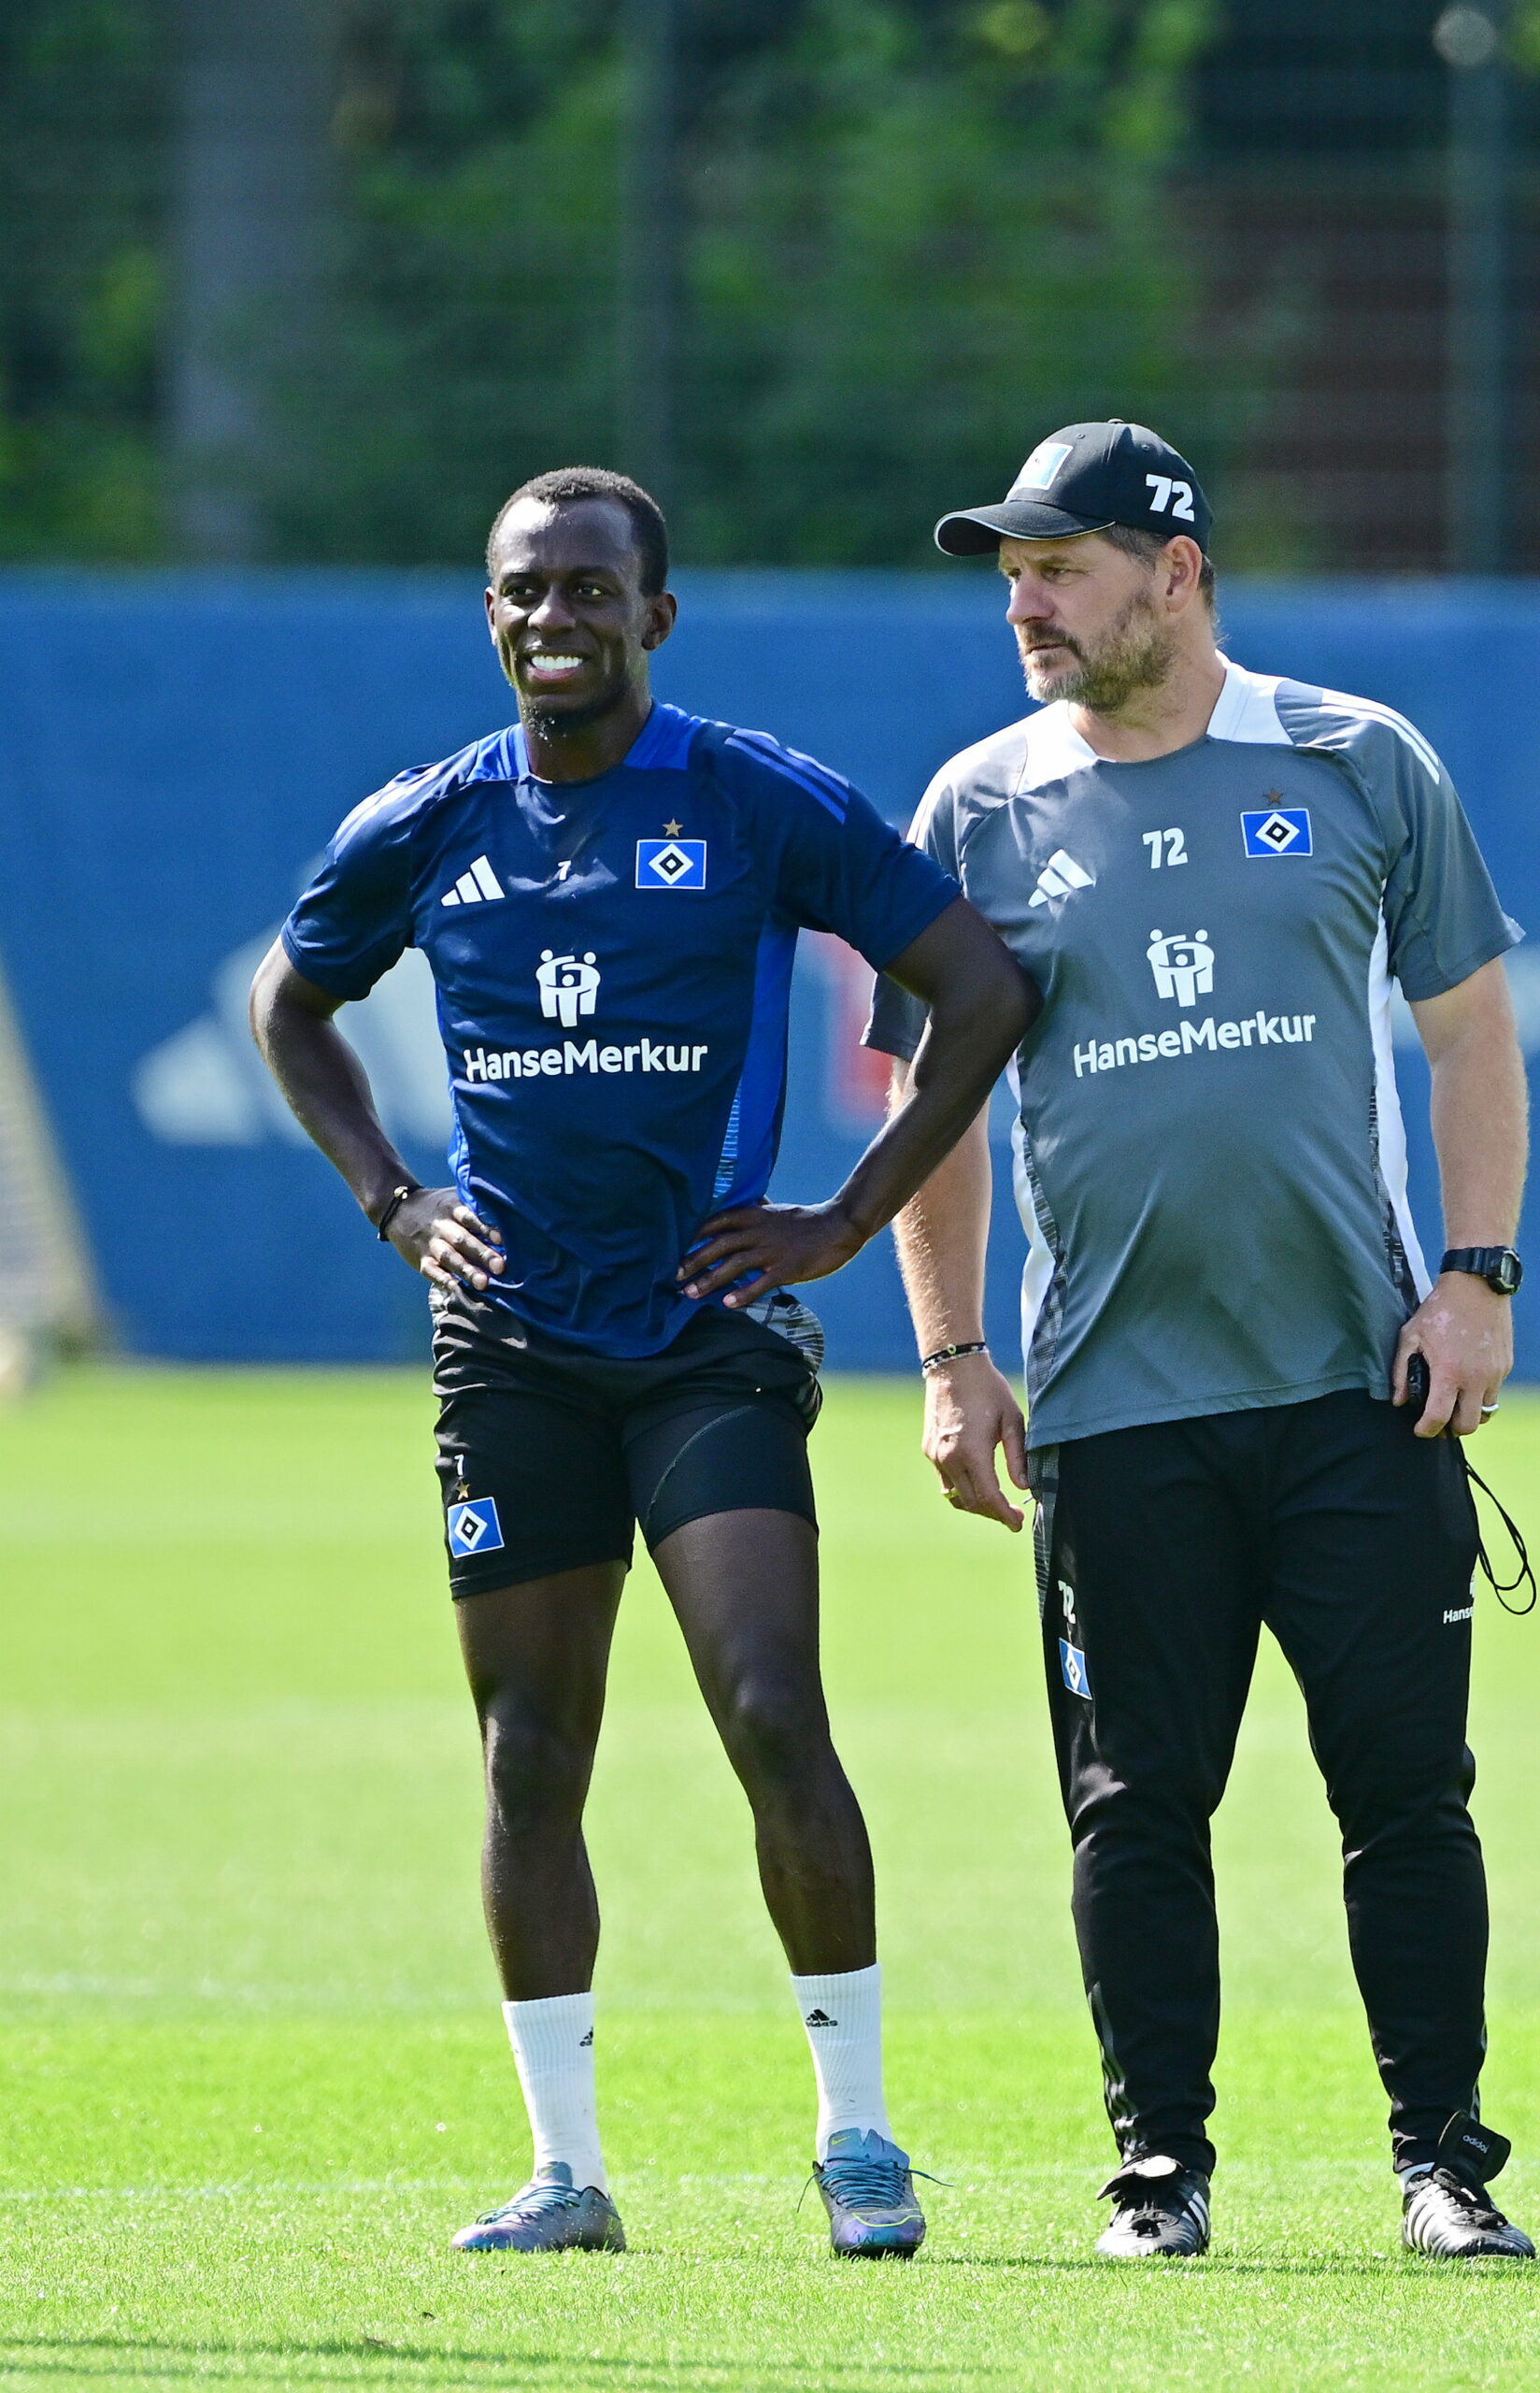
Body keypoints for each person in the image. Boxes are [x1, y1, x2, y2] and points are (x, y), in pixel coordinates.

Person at [250, 465, 1037, 2259]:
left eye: (592, 591)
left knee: (772, 1711)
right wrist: (389, 1198)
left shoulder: (754, 799)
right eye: (526, 592)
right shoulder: (433, 821)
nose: (556, 620)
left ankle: (860, 2143)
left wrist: (837, 1225)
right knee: (532, 1756)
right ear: (492, 617)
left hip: (707, 1345)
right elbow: (292, 1007)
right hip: (509, 1353)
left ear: (654, 618)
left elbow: (982, 988)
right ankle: (565, 2174)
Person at [866, 420, 1537, 2262]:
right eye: (1009, 570)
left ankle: (1439, 2164)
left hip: (1352, 1387)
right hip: (1108, 1399)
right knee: (1132, 1803)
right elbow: (927, 1100)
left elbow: (1470, 1035)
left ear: (1175, 572)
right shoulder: (975, 807)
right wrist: (946, 1358)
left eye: (1061, 565)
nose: (1024, 601)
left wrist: (1471, 1279)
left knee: (1404, 1789)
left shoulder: (1352, 756)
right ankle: (1157, 2169)